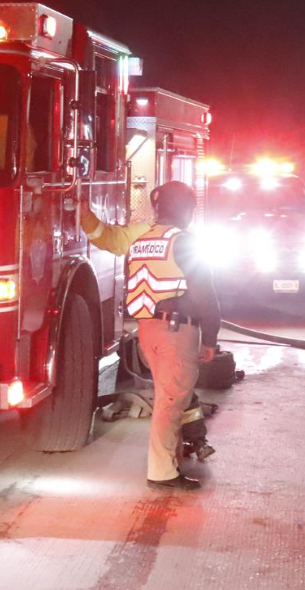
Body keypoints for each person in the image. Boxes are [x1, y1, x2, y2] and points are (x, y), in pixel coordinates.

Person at [82, 181, 221, 491]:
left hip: (148, 330)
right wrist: (211, 338)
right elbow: (205, 295)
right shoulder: (184, 242)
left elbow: (110, 238)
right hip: (176, 331)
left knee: (172, 395)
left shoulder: (143, 237)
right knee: (170, 403)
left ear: (157, 208)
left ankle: (175, 455)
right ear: (188, 209)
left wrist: (84, 215)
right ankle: (162, 473)